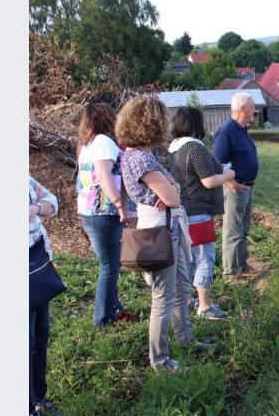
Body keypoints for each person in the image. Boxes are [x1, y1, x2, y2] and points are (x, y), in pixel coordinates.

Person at [116, 95, 212, 372]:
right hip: (160, 232)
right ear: (152, 124)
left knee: (182, 289)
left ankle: (185, 341)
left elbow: (171, 193)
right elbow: (172, 196)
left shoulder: (137, 155)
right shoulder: (142, 158)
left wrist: (172, 190)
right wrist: (172, 189)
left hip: (166, 228)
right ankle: (160, 360)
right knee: (163, 297)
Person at [168, 107, 235, 320]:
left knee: (187, 259)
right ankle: (205, 306)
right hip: (199, 211)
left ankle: (188, 300)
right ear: (197, 124)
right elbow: (208, 181)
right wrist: (227, 175)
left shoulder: (173, 149)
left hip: (182, 212)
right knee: (205, 258)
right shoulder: (195, 148)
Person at [75, 103, 133, 327]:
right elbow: (104, 176)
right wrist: (119, 204)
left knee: (109, 264)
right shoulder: (105, 143)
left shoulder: (87, 144)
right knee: (109, 266)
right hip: (102, 212)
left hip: (89, 211)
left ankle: (113, 308)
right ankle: (103, 319)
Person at [213, 93, 261, 282]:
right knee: (233, 230)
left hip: (247, 187)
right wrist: (231, 183)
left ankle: (241, 264)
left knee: (244, 228)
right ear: (243, 110)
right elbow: (217, 162)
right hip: (235, 188)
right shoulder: (226, 131)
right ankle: (230, 272)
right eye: (252, 108)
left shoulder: (241, 129)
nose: (255, 111)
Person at [29, 175, 61, 416]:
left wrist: (37, 207)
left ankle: (38, 398)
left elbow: (52, 202)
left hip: (37, 264)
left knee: (41, 336)